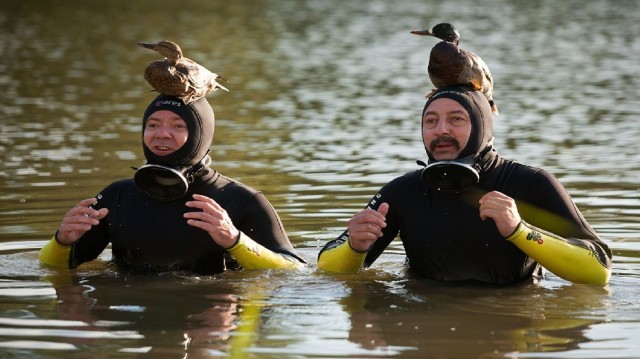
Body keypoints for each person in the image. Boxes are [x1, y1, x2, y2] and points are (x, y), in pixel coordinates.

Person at [317, 85, 612, 286]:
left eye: (456, 119)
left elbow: (598, 270)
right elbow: (325, 270)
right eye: (431, 121)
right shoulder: (402, 191)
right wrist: (354, 247)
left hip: (513, 314)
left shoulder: (529, 184)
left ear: (481, 128)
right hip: (424, 316)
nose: (441, 129)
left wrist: (520, 232)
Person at [40, 95, 305, 274]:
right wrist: (62, 241)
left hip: (212, 317)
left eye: (178, 126)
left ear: (200, 136)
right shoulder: (117, 196)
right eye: (153, 124)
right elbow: (54, 269)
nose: (161, 134)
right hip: (135, 316)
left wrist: (234, 241)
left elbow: (295, 271)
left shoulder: (240, 200)